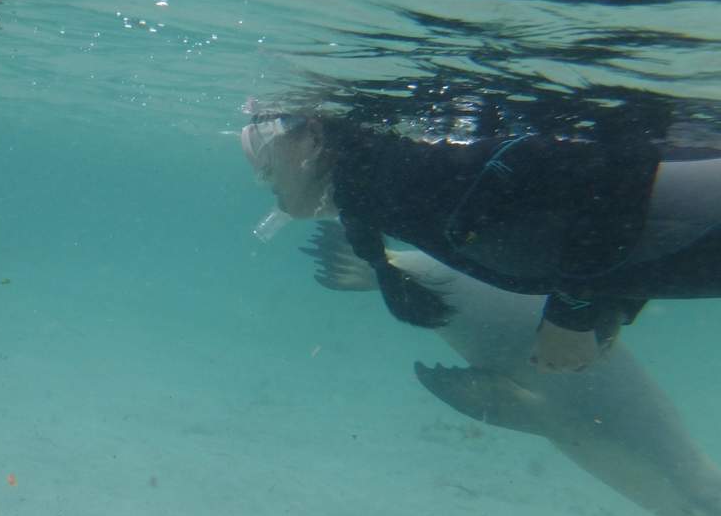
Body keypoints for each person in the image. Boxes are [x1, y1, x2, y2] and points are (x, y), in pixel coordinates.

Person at [241, 112, 721, 372]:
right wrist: (610, 303)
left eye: (266, 134)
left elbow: (614, 172)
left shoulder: (402, 179)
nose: (256, 161)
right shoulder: (381, 195)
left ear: (311, 138)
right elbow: (581, 217)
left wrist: (571, 314)